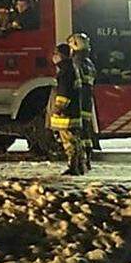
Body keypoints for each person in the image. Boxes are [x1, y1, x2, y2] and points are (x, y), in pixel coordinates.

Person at [50, 40, 85, 175]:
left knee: (70, 143)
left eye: (56, 53)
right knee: (75, 141)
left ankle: (73, 167)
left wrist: (57, 109)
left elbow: (63, 94)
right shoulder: (72, 68)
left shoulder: (65, 71)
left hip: (66, 115)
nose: (54, 56)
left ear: (62, 55)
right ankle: (79, 166)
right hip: (73, 112)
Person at [70, 32, 99, 173]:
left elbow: (75, 83)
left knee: (78, 132)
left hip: (79, 100)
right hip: (87, 100)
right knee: (85, 131)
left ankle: (78, 164)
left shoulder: (76, 61)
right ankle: (87, 161)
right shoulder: (89, 62)